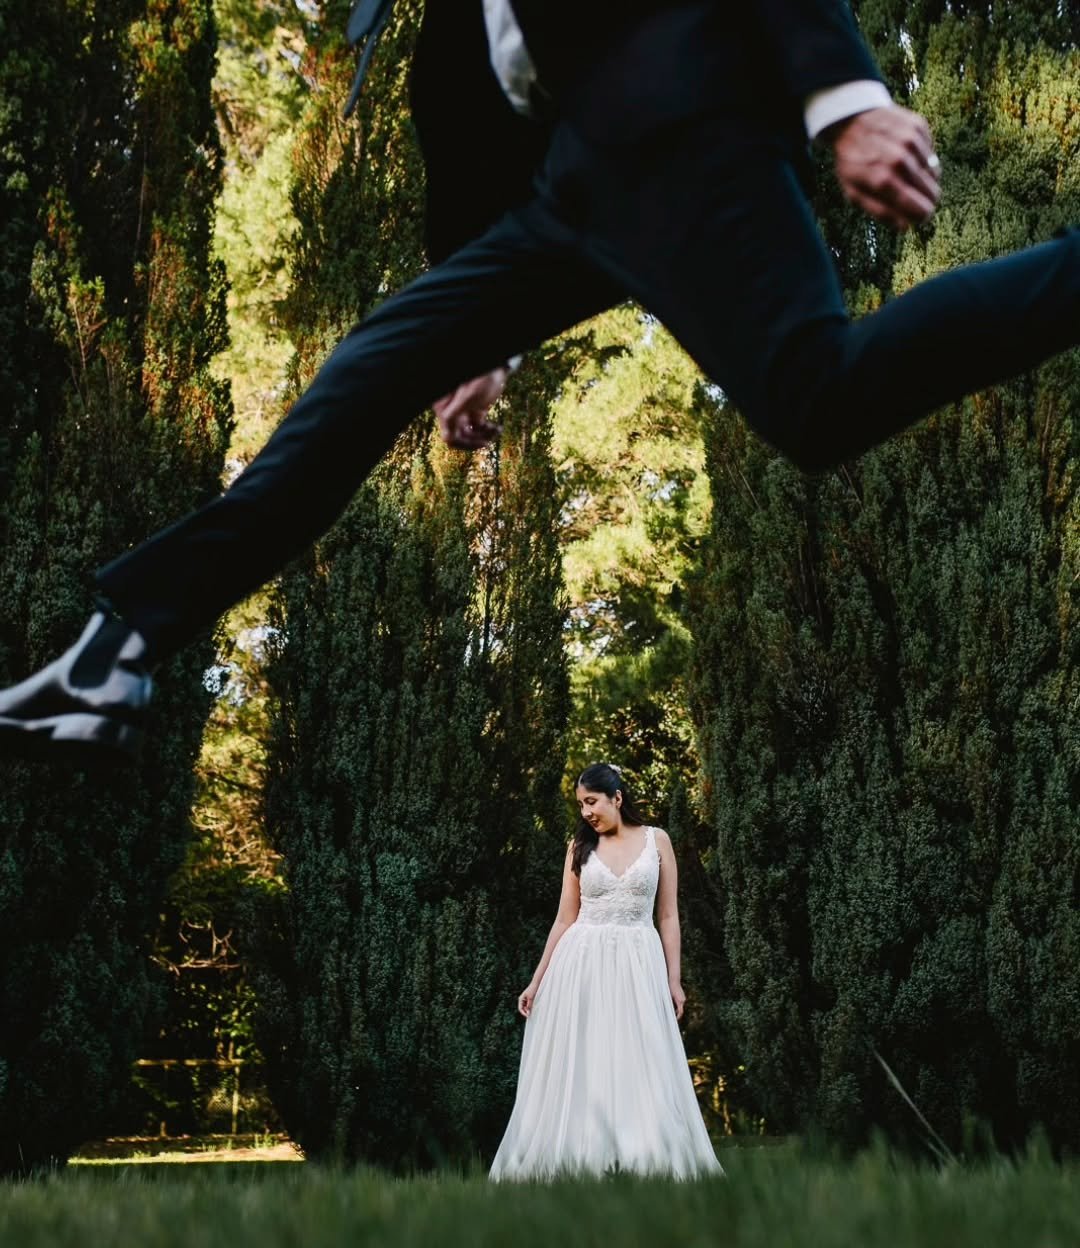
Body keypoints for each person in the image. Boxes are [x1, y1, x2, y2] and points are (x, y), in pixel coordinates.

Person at [1, 0, 1077, 758]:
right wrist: (483, 342)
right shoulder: (450, 35)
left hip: (681, 128)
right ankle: (122, 645)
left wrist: (844, 99)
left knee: (816, 398)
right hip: (574, 182)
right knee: (372, 370)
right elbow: (468, 131)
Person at [490, 763, 722, 1180]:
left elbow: (668, 915)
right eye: (580, 805)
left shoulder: (657, 840)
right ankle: (584, 1155)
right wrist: (537, 979)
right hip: (583, 962)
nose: (586, 812)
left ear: (618, 797)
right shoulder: (578, 847)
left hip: (638, 959)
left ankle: (642, 1155)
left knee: (641, 1053)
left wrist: (674, 979)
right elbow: (564, 919)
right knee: (589, 1055)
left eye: (592, 801)